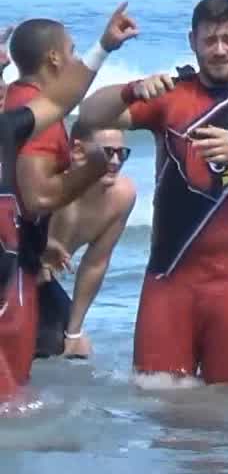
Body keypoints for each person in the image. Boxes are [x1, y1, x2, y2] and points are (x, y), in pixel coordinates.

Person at [77, 0, 228, 386]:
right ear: (192, 42)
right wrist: (132, 88)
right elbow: (88, 116)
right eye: (210, 40)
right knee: (156, 399)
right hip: (169, 280)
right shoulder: (170, 94)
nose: (220, 50)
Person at [1, 4, 138, 399]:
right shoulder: (21, 118)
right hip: (12, 279)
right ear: (54, 57)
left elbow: (60, 102)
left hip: (21, 263)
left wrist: (104, 46)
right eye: (72, 50)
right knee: (13, 398)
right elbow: (38, 197)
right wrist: (92, 168)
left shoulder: (13, 117)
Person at [37, 122, 137, 358]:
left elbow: (95, 263)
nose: (115, 162)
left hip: (42, 281)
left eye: (121, 153)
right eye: (107, 153)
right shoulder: (47, 182)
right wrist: (40, 248)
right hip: (14, 272)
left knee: (75, 349)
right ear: (78, 151)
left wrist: (74, 332)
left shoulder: (121, 196)